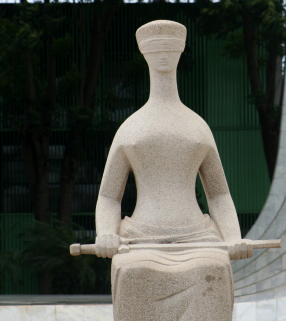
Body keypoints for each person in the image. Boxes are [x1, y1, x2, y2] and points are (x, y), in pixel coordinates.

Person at [94, 20, 252, 321]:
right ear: (144, 54)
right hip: (140, 240)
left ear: (180, 53)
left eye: (170, 48)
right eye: (155, 49)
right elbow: (108, 197)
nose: (163, 55)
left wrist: (233, 236)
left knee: (215, 270)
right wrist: (105, 233)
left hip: (199, 238)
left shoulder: (197, 127)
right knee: (133, 273)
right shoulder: (131, 129)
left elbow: (218, 194)